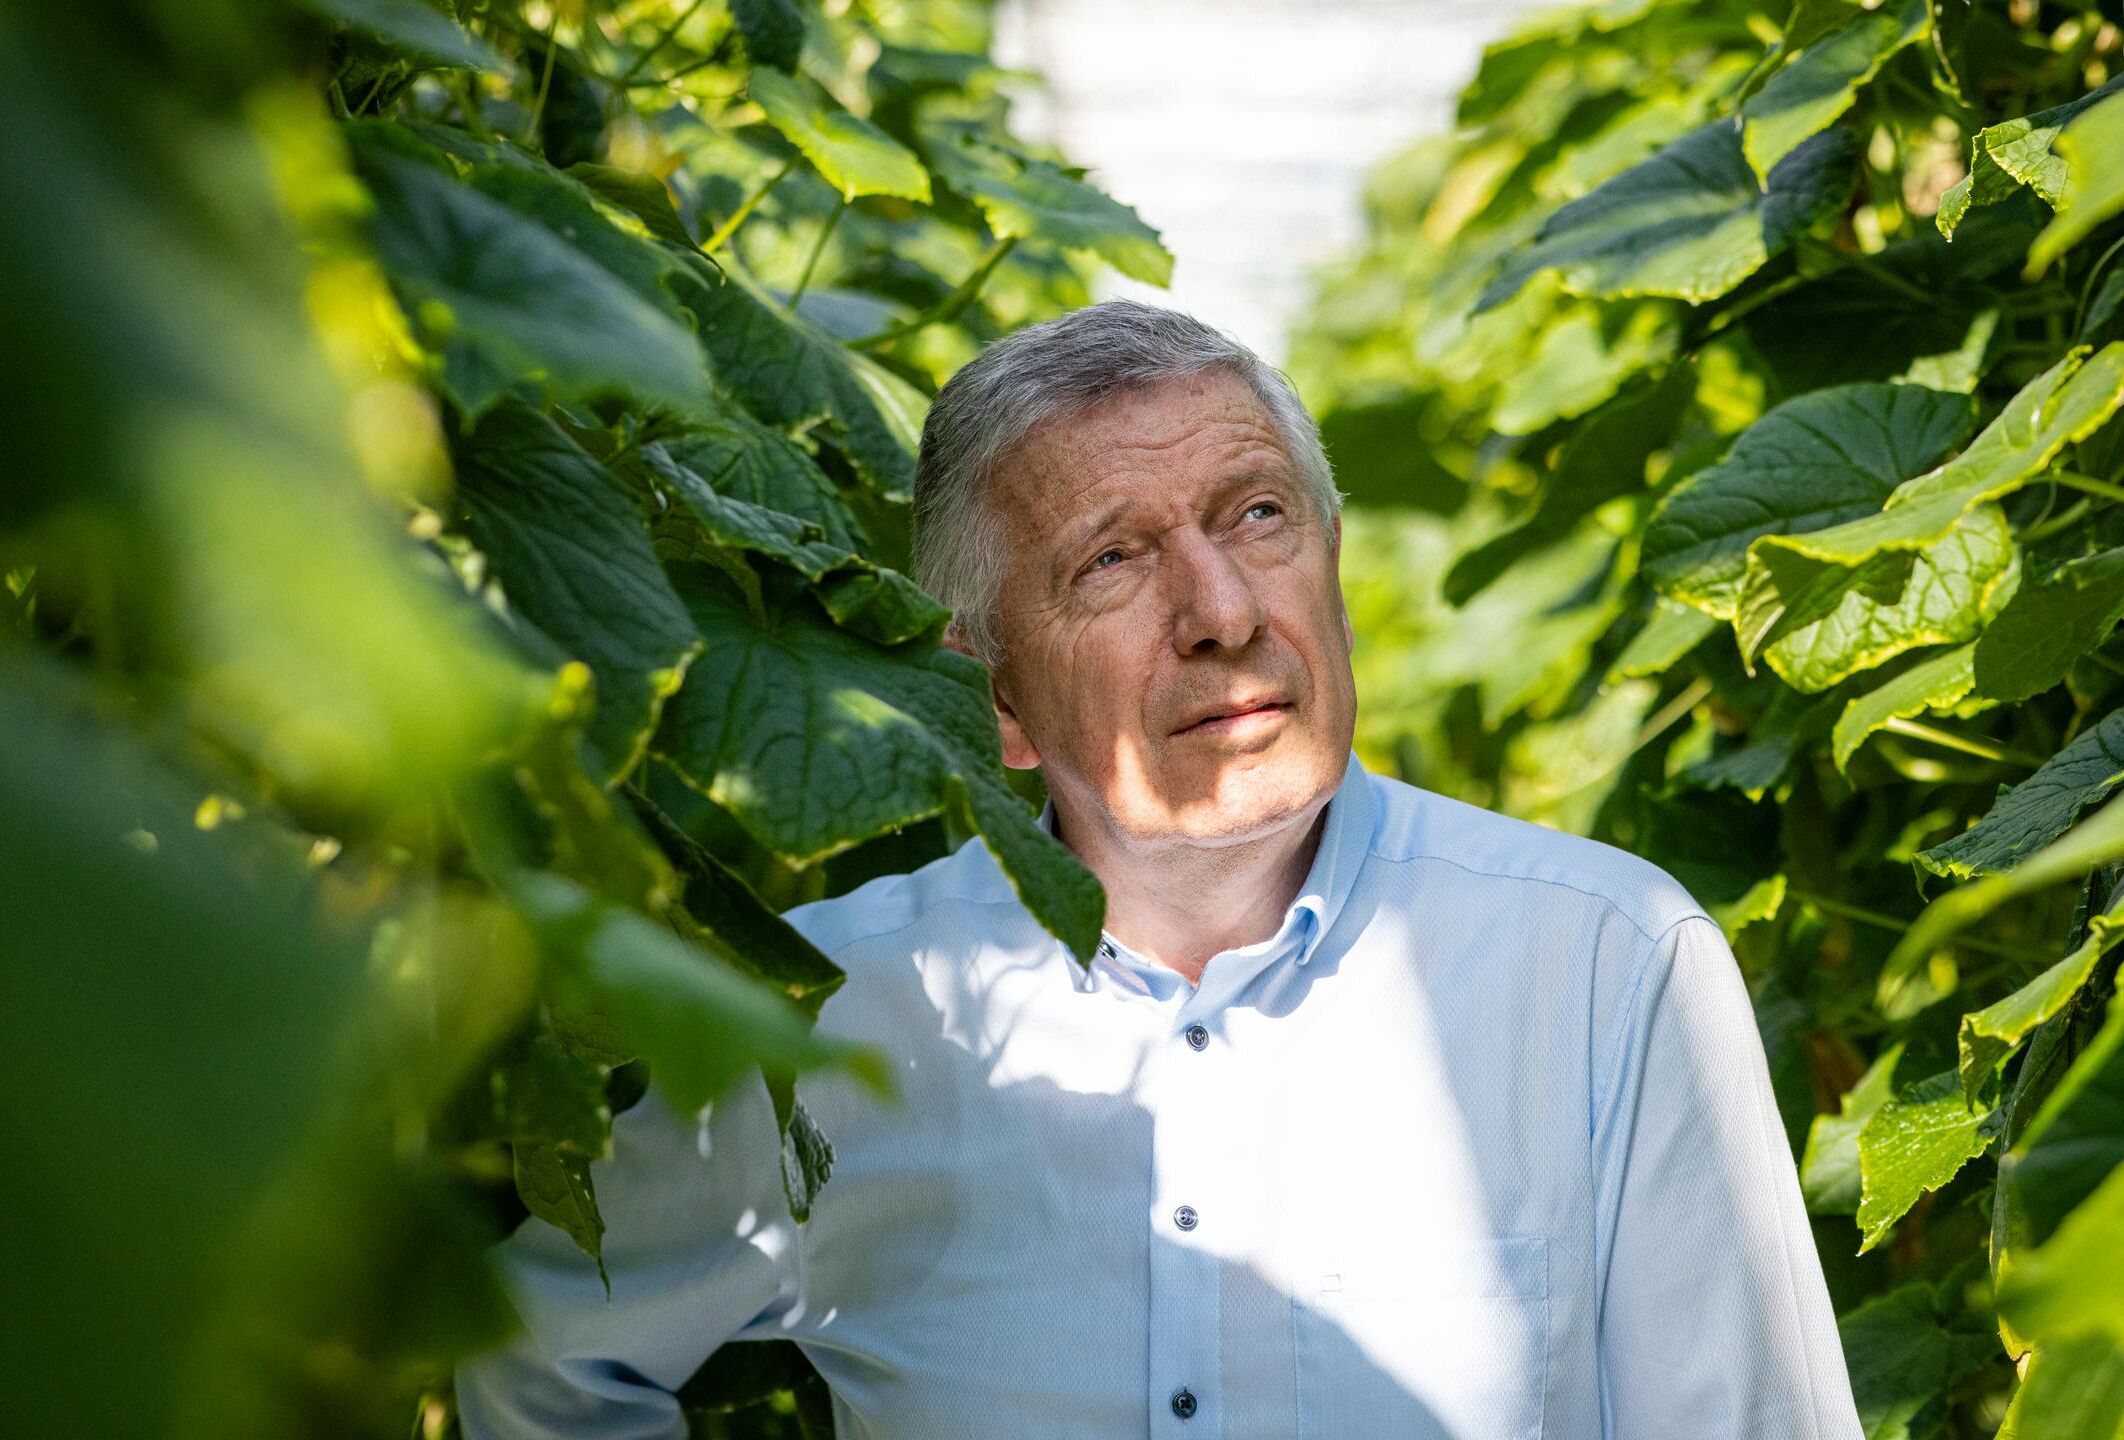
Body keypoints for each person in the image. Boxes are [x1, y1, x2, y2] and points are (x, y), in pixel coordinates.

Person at [455, 300, 1864, 1439]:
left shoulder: (1608, 964)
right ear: (992, 696)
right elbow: (544, 1358)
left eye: (1258, 516)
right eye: (1114, 561)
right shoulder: (830, 1013)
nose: (1225, 612)